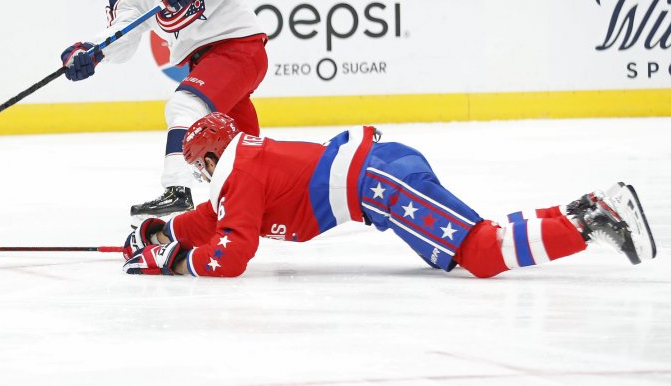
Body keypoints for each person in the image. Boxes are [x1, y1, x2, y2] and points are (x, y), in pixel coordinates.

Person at [121, 113, 658, 277]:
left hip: (380, 183)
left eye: (197, 165)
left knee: (478, 254)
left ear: (212, 156)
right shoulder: (242, 165)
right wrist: (164, 234)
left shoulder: (239, 173)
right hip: (379, 177)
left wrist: (175, 263)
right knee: (475, 246)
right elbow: (215, 219)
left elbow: (231, 255)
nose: (197, 175)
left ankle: (591, 217)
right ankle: (581, 214)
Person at [59, 0, 267, 218]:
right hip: (207, 63)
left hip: (239, 46)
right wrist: (90, 52)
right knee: (240, 149)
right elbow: (121, 41)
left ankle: (176, 190)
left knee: (184, 106)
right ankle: (258, 198)